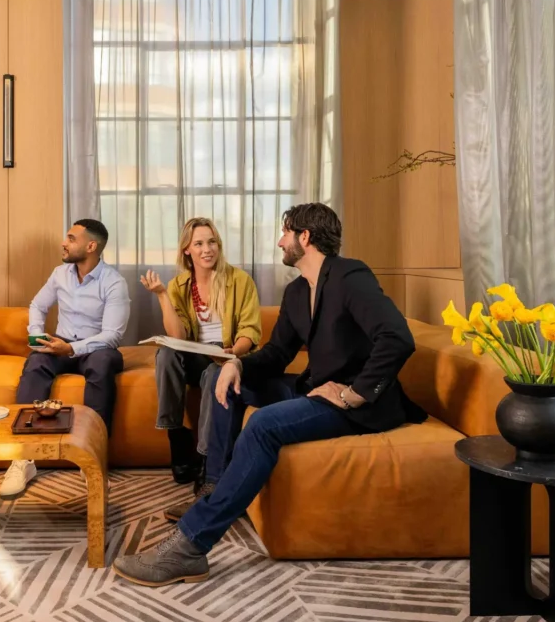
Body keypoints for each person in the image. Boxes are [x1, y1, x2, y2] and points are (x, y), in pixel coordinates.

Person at [112, 203, 427, 586]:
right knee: (227, 382)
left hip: (353, 404)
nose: (280, 242)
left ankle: (189, 547)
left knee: (262, 425)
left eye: (285, 233)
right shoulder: (297, 292)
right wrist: (237, 365)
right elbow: (278, 353)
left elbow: (397, 338)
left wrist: (356, 394)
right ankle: (214, 486)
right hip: (315, 387)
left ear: (304, 237)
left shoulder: (350, 276)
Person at [0, 219, 131, 499]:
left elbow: (111, 336)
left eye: (71, 238)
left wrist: (71, 350)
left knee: (102, 363)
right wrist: (37, 335)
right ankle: (23, 458)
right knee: (35, 362)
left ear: (91, 246)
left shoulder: (114, 283)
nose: (64, 242)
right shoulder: (60, 274)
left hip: (97, 347)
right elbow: (38, 305)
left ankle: (93, 459)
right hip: (61, 342)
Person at [139, 217, 261, 490]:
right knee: (166, 354)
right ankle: (177, 438)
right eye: (199, 244)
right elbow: (178, 338)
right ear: (187, 250)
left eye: (212, 242)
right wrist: (161, 295)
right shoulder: (180, 285)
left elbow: (250, 331)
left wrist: (232, 354)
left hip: (228, 354)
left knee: (213, 373)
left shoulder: (240, 280)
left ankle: (206, 461)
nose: (207, 249)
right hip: (195, 353)